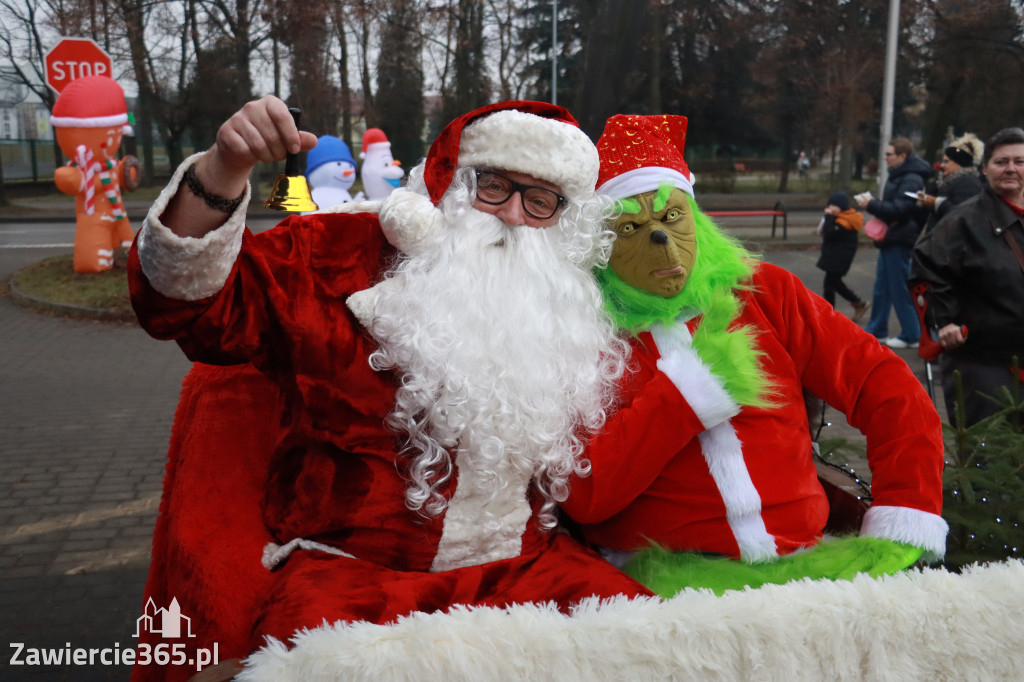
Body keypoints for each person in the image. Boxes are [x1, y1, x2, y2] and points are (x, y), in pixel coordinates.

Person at [127, 96, 650, 674]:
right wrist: (222, 169)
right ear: (449, 183)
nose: (513, 215)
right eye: (494, 185)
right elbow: (181, 306)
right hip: (356, 574)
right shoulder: (339, 255)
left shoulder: (565, 301)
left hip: (527, 568)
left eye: (541, 200)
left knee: (657, 648)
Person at [560, 114, 947, 596]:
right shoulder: (579, 330)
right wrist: (683, 397)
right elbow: (585, 495)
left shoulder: (763, 292)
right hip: (670, 584)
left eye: (671, 216)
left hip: (807, 561)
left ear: (694, 215)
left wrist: (908, 509)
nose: (659, 239)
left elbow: (881, 382)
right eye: (631, 226)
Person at [912, 127, 1024, 427]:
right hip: (982, 362)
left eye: (1019, 161)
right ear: (985, 169)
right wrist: (944, 320)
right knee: (986, 461)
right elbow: (925, 266)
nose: (1011, 168)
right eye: (1002, 162)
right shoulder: (963, 220)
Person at [855, 137, 933, 349]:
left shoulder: (910, 178)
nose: (885, 157)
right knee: (883, 286)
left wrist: (871, 205)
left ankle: (912, 333)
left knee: (899, 287)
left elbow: (901, 209)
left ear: (902, 156)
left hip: (900, 238)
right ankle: (878, 328)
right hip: (893, 237)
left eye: (889, 154)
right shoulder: (903, 175)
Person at [917, 132, 985, 237]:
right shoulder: (950, 181)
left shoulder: (969, 183)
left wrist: (937, 203)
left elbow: (963, 216)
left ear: (959, 162)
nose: (942, 165)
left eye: (946, 161)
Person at [816, 190, 869, 320]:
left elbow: (829, 232)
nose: (830, 208)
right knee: (831, 284)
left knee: (832, 284)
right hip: (835, 256)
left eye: (833, 205)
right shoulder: (840, 218)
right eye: (829, 205)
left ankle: (832, 312)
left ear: (841, 207)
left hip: (839, 258)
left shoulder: (845, 221)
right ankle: (853, 304)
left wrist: (828, 217)